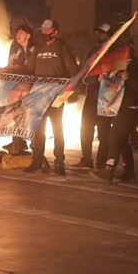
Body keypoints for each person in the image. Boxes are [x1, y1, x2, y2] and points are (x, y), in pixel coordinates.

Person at [24, 19, 79, 175]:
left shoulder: (62, 48)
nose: (44, 33)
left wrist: (70, 91)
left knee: (57, 130)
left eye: (48, 30)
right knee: (38, 130)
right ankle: (37, 161)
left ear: (56, 32)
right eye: (43, 30)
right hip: (39, 97)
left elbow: (73, 70)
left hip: (56, 97)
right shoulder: (37, 48)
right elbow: (29, 70)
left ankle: (59, 162)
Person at [95, 48, 138, 183]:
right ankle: (129, 171)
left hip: (129, 109)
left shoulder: (135, 68)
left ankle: (109, 169)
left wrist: (128, 78)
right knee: (123, 142)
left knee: (114, 139)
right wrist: (104, 78)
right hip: (117, 108)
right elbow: (113, 85)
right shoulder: (117, 66)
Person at [74, 23, 111, 169]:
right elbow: (84, 69)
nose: (99, 35)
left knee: (104, 131)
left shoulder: (114, 51)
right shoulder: (93, 51)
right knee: (86, 127)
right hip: (92, 93)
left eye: (103, 33)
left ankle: (101, 162)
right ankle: (86, 159)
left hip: (106, 96)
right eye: (98, 32)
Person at [0, 25, 35, 155]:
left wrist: (11, 70)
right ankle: (17, 142)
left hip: (32, 86)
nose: (18, 34)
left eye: (21, 32)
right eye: (17, 32)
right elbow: (11, 65)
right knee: (16, 113)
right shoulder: (15, 48)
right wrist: (5, 71)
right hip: (17, 86)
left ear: (28, 35)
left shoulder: (34, 49)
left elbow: (29, 68)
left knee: (30, 115)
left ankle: (33, 143)